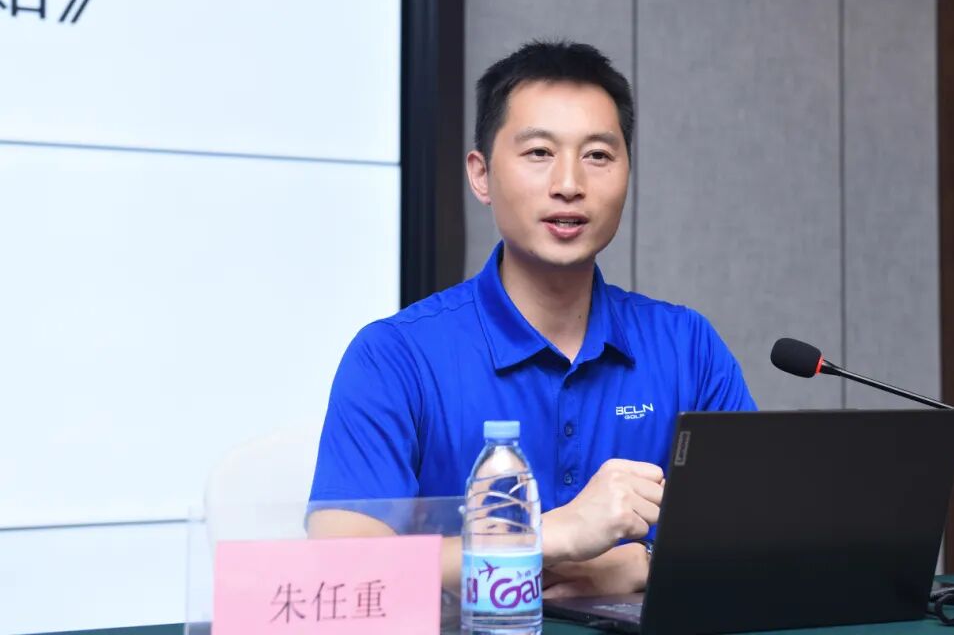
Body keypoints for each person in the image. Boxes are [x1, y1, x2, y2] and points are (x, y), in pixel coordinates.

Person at [307, 40, 756, 597]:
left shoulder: (688, 346)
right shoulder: (394, 357)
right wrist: (546, 536)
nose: (569, 183)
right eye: (539, 152)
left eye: (598, 155)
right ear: (481, 175)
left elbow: (757, 538)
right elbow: (339, 570)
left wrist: (645, 562)